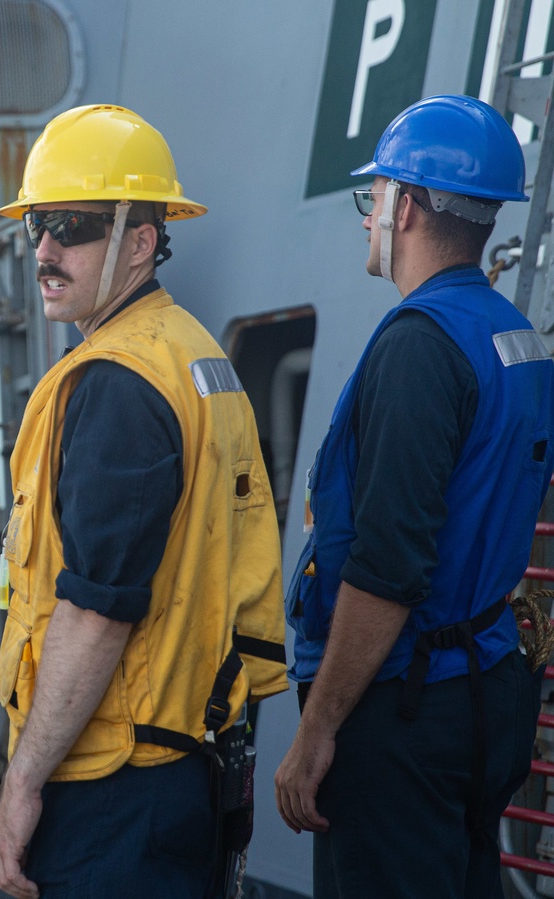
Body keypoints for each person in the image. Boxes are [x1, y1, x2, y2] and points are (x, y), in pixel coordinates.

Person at [0, 104, 288, 899]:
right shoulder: (190, 351)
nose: (45, 250)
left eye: (73, 227)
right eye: (37, 225)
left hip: (113, 783)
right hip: (181, 762)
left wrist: (20, 783)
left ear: (141, 242)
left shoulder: (119, 381)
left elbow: (97, 611)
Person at [275, 94, 554, 897]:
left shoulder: (417, 348)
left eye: (376, 197)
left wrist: (319, 729)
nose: (370, 215)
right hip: (486, 690)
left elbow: (388, 567)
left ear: (403, 205)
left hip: (406, 710)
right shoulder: (517, 339)